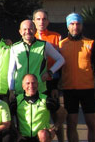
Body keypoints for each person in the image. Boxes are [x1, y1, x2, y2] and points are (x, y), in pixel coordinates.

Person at [59, 13, 95, 142]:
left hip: (87, 89)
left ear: (82, 25)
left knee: (92, 123)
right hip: (69, 90)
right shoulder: (61, 45)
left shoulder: (90, 43)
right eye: (72, 24)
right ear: (68, 26)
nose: (75, 27)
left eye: (78, 24)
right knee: (71, 124)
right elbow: (56, 67)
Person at [33, 9, 67, 142]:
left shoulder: (56, 37)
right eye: (38, 19)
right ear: (33, 21)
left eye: (44, 19)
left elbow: (61, 61)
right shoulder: (29, 35)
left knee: (56, 115)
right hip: (35, 84)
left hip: (51, 82)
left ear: (48, 21)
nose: (41, 21)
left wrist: (55, 84)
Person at [8, 20, 64, 96]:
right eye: (24, 29)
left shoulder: (44, 45)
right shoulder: (14, 47)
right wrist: (11, 90)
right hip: (20, 90)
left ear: (35, 31)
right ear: (20, 32)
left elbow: (61, 60)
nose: (27, 31)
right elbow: (11, 70)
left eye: (30, 29)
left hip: (39, 88)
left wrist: (50, 72)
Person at [14, 74, 60, 142]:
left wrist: (55, 127)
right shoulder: (17, 101)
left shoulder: (45, 99)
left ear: (37, 84)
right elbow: (9, 120)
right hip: (23, 137)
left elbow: (63, 112)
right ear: (23, 86)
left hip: (40, 137)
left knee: (43, 134)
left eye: (33, 83)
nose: (31, 86)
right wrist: (16, 133)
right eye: (28, 83)